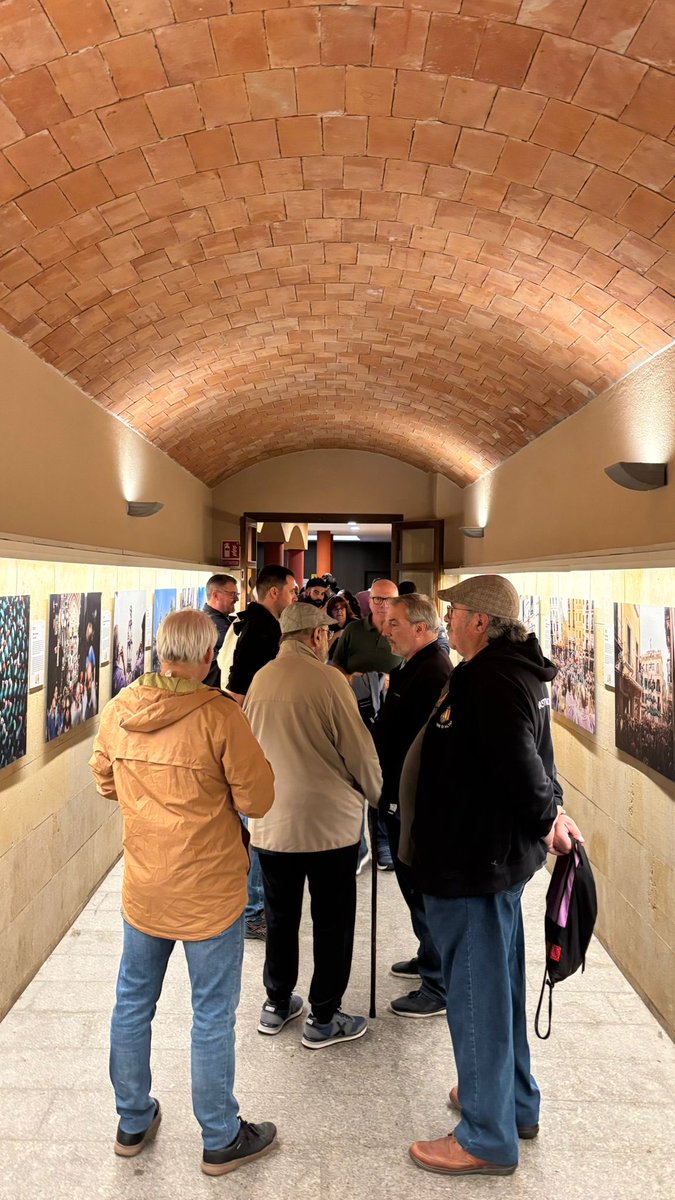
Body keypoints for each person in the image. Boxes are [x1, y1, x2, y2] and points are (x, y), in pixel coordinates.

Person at [403, 576, 584, 1178]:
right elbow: (540, 761)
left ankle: (485, 1134)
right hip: (489, 862)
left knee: (477, 994)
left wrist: (545, 816)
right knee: (499, 987)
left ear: (481, 621)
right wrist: (549, 813)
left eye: (454, 611)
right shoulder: (515, 673)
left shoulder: (493, 679)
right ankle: (513, 1102)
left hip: (474, 866)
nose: (448, 619)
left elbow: (520, 764)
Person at [89, 609, 277, 1177]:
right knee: (212, 1014)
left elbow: (104, 780)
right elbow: (258, 799)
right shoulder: (220, 716)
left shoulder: (122, 709)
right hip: (211, 891)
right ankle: (220, 1136)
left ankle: (131, 1120)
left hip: (146, 886)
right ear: (204, 656)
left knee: (132, 1002)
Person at [244, 603, 382, 1050]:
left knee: (280, 917)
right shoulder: (329, 681)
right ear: (316, 636)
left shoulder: (261, 679)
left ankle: (277, 1002)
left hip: (273, 824)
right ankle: (323, 1016)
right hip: (328, 828)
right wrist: (380, 795)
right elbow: (358, 749)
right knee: (332, 921)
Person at [374, 593, 453, 1018]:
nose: (386, 630)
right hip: (397, 794)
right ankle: (429, 958)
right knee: (410, 885)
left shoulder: (435, 671)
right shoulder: (415, 665)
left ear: (421, 629)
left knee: (420, 887)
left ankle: (437, 984)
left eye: (396, 624)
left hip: (414, 801)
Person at [224, 564, 298, 940]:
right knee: (256, 823)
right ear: (274, 593)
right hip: (253, 736)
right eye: (292, 591)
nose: (295, 597)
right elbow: (238, 692)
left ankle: (255, 907)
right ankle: (254, 911)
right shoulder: (262, 629)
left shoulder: (257, 623)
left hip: (254, 733)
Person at [332, 578, 401, 871]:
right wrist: (354, 680)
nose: (382, 605)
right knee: (353, 776)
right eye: (377, 599)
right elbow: (335, 668)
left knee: (384, 775)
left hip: (393, 714)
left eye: (388, 599)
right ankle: (358, 845)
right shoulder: (354, 631)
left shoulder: (405, 628)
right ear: (368, 601)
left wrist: (388, 682)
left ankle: (382, 841)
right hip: (355, 714)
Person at [202, 574, 239, 688]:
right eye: (232, 594)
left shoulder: (209, 619)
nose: (236, 599)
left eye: (236, 594)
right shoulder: (215, 625)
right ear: (215, 595)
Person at [326, 593, 357, 661]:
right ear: (330, 612)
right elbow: (324, 650)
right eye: (336, 609)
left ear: (346, 610)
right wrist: (336, 635)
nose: (339, 612)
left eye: (342, 609)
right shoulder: (327, 626)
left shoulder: (355, 624)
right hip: (332, 661)